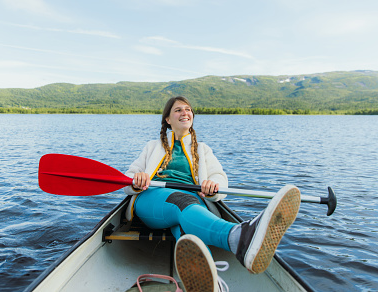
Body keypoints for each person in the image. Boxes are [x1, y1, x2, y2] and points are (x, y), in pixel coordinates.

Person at [124, 96, 301, 292]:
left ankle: (210, 284)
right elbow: (127, 179)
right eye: (178, 110)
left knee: (189, 238)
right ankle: (238, 237)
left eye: (188, 109)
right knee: (181, 201)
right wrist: (137, 180)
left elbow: (219, 177)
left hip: (192, 202)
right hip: (153, 200)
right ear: (167, 119)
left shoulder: (203, 149)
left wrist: (212, 185)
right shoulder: (152, 146)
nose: (185, 113)